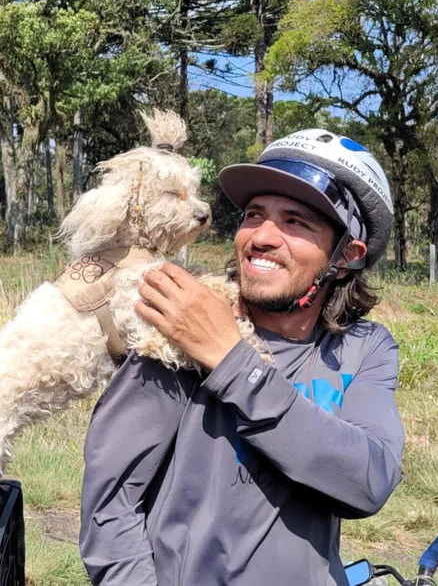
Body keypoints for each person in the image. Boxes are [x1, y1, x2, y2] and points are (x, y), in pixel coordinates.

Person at [78, 129, 406, 586]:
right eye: (254, 215)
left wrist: (234, 361)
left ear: (347, 255)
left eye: (297, 222)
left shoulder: (363, 348)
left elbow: (367, 483)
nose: (262, 237)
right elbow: (110, 509)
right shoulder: (177, 327)